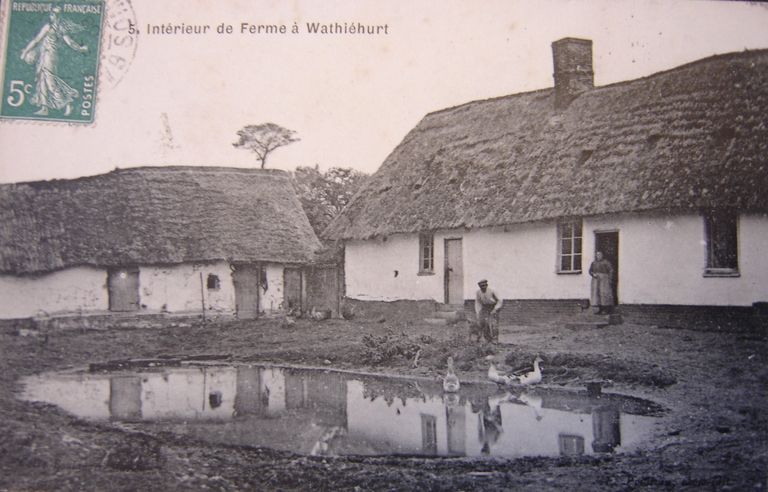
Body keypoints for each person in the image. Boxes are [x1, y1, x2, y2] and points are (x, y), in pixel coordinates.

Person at [20, 7, 88, 116]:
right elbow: (69, 42)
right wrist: (81, 48)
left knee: (50, 82)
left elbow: (37, 40)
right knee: (42, 80)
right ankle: (44, 108)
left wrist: (25, 52)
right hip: (47, 55)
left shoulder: (52, 28)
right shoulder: (59, 28)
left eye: (54, 14)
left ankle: (67, 103)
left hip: (49, 56)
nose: (52, 16)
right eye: (52, 14)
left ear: (56, 16)